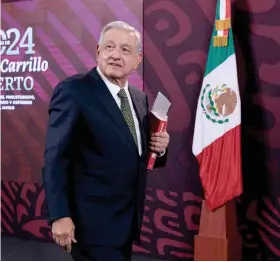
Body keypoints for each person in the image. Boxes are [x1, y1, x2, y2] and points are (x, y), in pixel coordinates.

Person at [42, 21, 170, 261]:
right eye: (109, 47)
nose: (115, 55)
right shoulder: (74, 91)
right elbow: (54, 158)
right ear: (98, 50)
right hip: (90, 225)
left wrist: (160, 148)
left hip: (126, 222)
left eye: (125, 50)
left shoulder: (139, 98)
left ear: (137, 59)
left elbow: (137, 153)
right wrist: (59, 215)